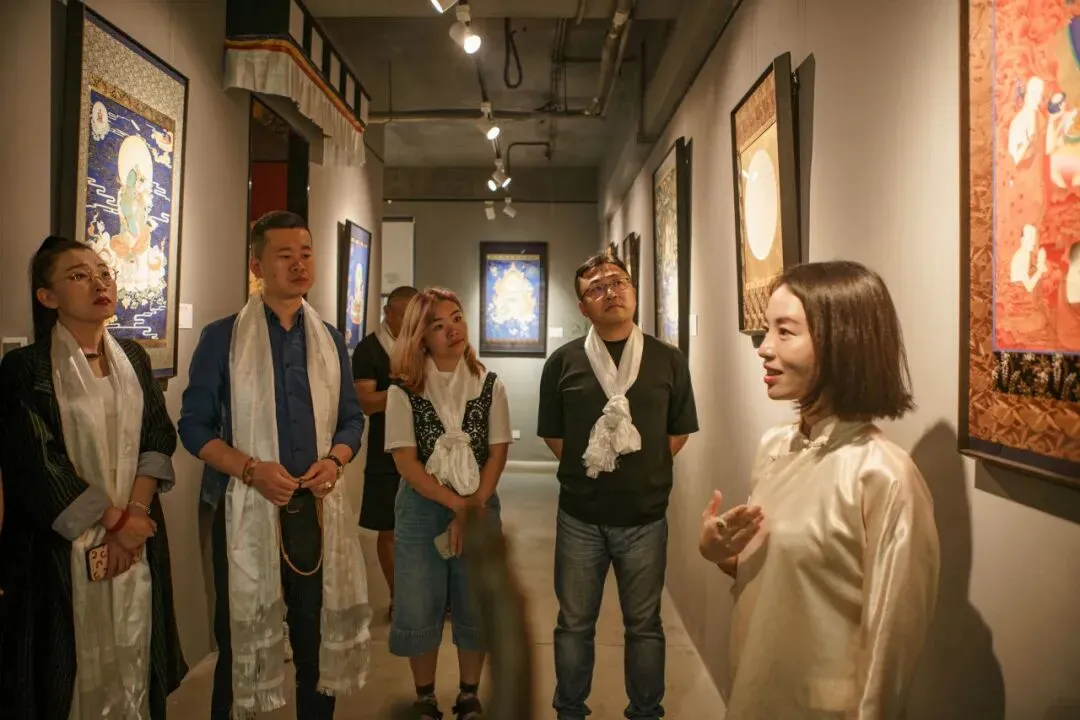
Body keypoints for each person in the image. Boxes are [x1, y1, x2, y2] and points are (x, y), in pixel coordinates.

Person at [698, 260, 940, 719]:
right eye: (767, 330)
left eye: (785, 332)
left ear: (842, 342)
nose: (764, 348)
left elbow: (890, 647)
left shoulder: (884, 477)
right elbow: (786, 577)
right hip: (754, 692)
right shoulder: (776, 447)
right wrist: (720, 552)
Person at [178, 211, 371, 720]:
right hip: (245, 506)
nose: (299, 264)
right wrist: (249, 469)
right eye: (284, 255)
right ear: (257, 265)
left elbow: (352, 419)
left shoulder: (329, 338)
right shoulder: (223, 337)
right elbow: (194, 428)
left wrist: (335, 460)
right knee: (238, 637)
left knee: (314, 638)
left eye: (305, 253)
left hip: (315, 506)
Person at [0, 236, 187, 719]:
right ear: (48, 296)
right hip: (59, 551)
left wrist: (135, 515)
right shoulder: (26, 368)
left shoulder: (134, 358)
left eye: (104, 272)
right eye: (79, 276)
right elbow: (37, 464)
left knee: (136, 652)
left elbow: (156, 435)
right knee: (63, 674)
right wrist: (115, 522)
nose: (99, 283)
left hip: (137, 536)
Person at [537, 253, 699, 720]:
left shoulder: (668, 359)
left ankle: (646, 712)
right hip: (580, 516)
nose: (611, 292)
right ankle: (570, 710)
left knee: (644, 625)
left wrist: (640, 469)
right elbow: (555, 436)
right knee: (573, 624)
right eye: (597, 288)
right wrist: (597, 467)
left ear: (633, 290)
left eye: (619, 281)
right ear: (582, 307)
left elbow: (678, 432)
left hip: (645, 517)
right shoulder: (563, 362)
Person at [384, 287, 512, 720]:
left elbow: (497, 453)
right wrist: (456, 506)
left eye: (456, 318)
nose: (452, 329)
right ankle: (424, 697)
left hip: (480, 502)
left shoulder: (489, 384)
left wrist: (472, 506)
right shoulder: (404, 391)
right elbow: (406, 462)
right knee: (419, 600)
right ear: (421, 337)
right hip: (423, 505)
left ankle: (469, 695)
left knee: (474, 598)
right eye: (438, 325)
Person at [352, 285, 419, 616]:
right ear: (387, 313)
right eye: (403, 316)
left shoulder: (425, 343)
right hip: (386, 450)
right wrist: (403, 390)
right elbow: (365, 402)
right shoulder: (369, 349)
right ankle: (398, 598)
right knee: (389, 527)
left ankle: (432, 595)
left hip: (427, 450)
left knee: (430, 525)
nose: (409, 324)